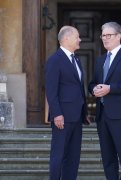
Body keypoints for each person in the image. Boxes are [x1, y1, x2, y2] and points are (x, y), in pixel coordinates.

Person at [88, 22, 121, 180]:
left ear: (118, 36)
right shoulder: (100, 60)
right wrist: (94, 89)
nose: (105, 39)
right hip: (102, 115)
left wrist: (110, 88)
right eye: (103, 35)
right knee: (107, 158)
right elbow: (93, 82)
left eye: (108, 35)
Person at [45, 25, 90, 180]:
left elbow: (77, 87)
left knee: (73, 157)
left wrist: (84, 113)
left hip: (76, 117)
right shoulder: (54, 60)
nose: (80, 39)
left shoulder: (76, 59)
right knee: (58, 155)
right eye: (77, 36)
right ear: (66, 38)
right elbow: (51, 91)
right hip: (62, 117)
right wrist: (57, 113)